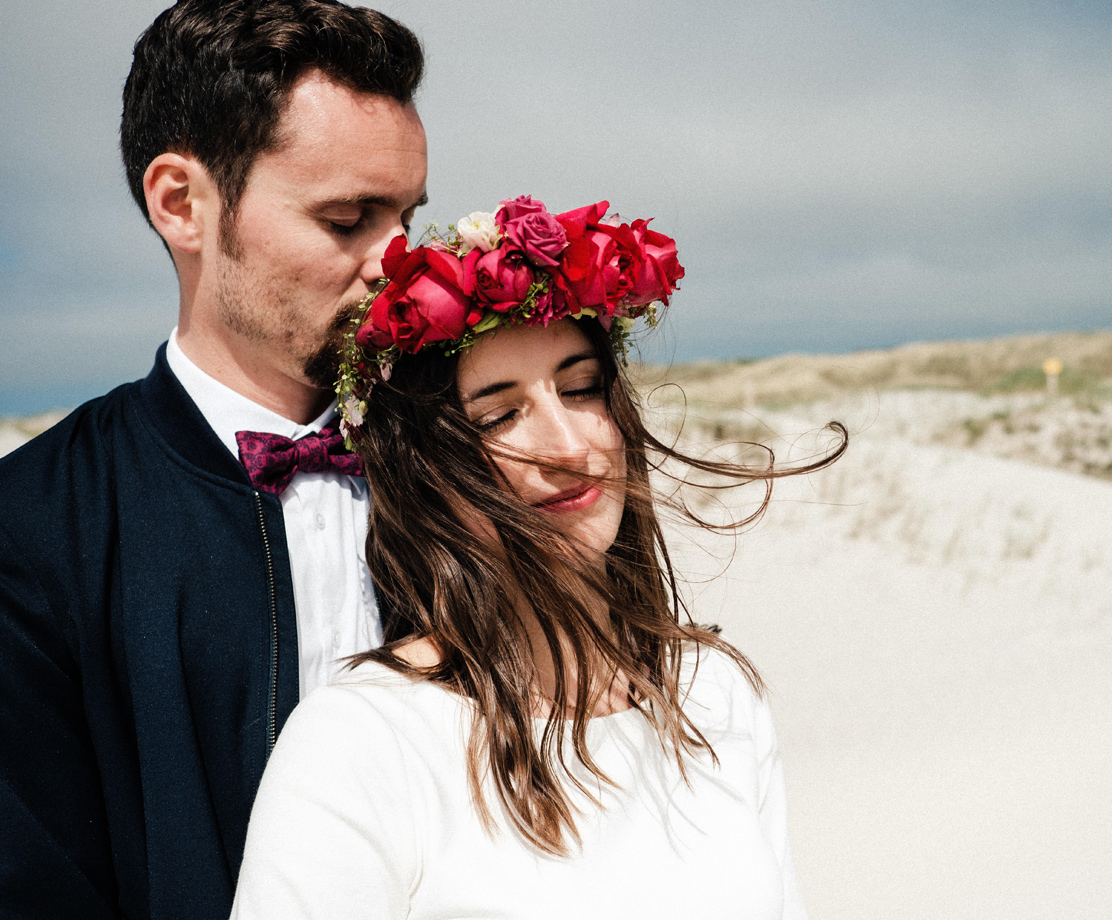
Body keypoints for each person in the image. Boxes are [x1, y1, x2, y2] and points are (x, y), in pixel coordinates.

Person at [228, 198, 845, 918]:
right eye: (499, 414)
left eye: (581, 389)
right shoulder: (362, 744)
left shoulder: (713, 693)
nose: (569, 446)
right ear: (428, 473)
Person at [0, 2, 426, 917]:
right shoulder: (32, 528)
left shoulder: (470, 479)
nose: (400, 266)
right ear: (181, 203)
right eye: (349, 218)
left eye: (406, 217)